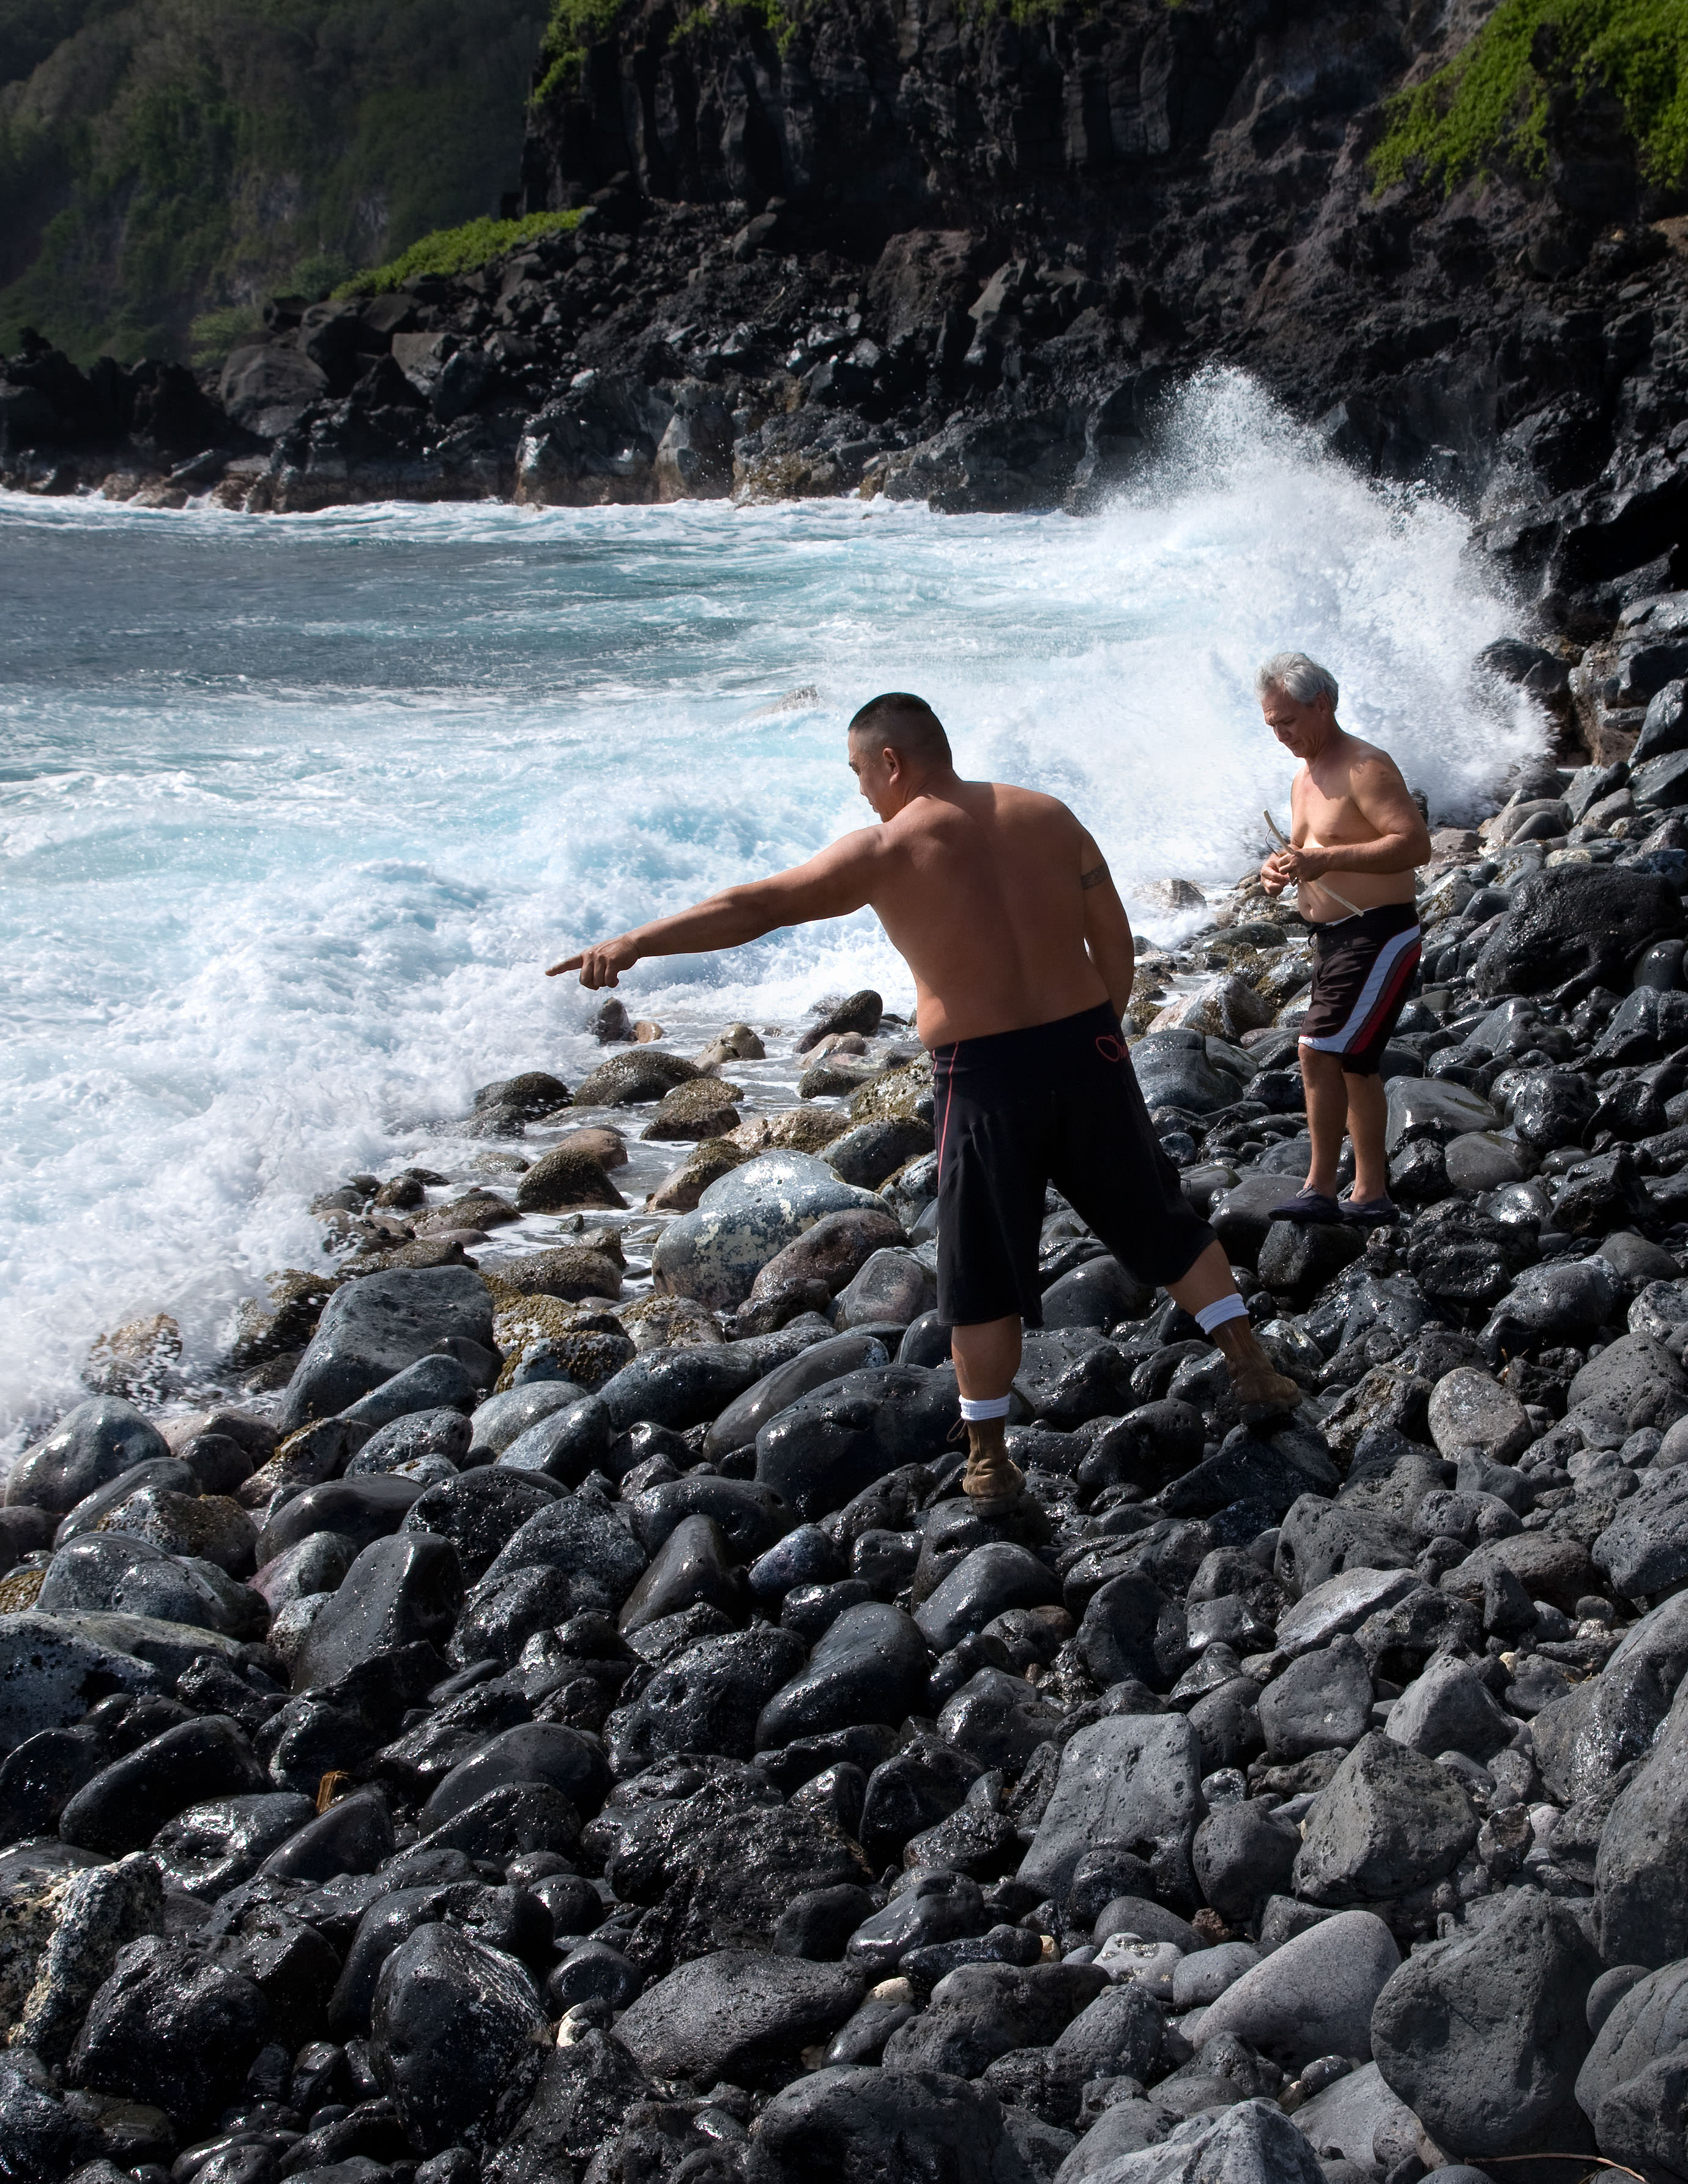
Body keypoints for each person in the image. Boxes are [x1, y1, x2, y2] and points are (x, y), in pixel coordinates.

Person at [550, 691, 1301, 1511]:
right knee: (1154, 1213)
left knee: (978, 1262)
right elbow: (1109, 930)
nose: (860, 792)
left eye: (857, 773)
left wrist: (636, 941)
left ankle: (987, 1458)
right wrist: (1105, 1030)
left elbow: (755, 906)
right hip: (1086, 1049)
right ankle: (1249, 1366)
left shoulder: (885, 848)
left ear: (891, 762)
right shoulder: (1046, 814)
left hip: (982, 1076)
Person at [1257, 652, 1432, 1226]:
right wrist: (1276, 872)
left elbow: (1412, 845)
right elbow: (1306, 853)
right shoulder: (1302, 777)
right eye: (1271, 726)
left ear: (1322, 705)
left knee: (1317, 1050)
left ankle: (1319, 1188)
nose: (1280, 735)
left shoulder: (1365, 766)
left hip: (1378, 931)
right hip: (1330, 938)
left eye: (1286, 721)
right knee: (1355, 1061)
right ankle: (1370, 1195)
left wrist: (1324, 858)